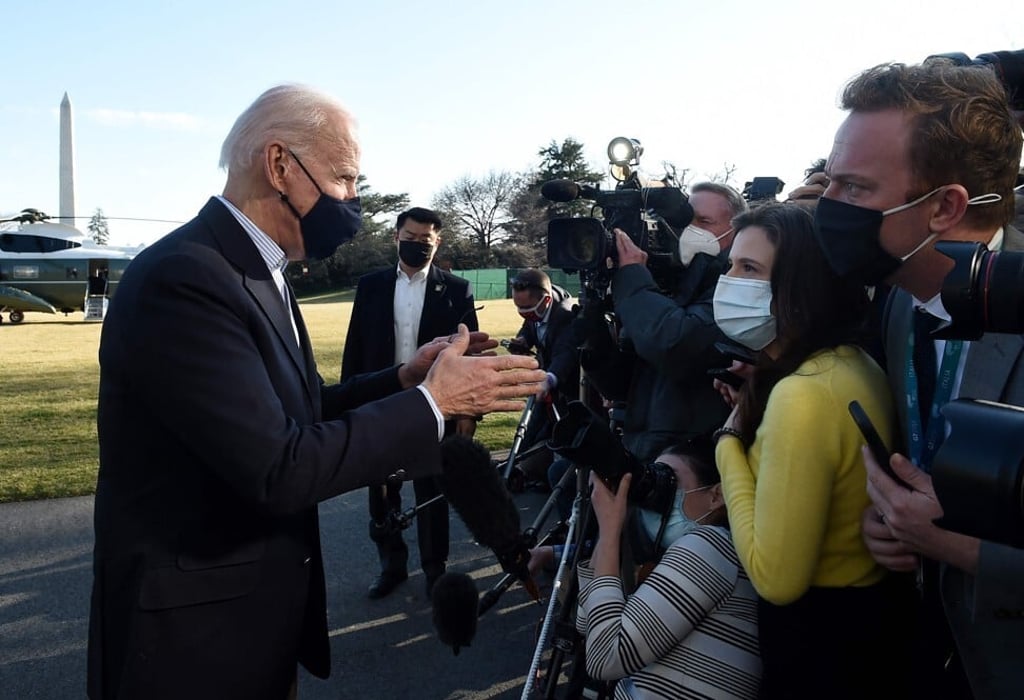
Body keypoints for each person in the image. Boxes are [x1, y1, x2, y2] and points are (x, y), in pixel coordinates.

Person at [87, 84, 546, 700]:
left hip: (248, 625)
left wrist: (405, 380)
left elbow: (297, 411)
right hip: (190, 643)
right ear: (279, 165)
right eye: (346, 178)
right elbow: (279, 466)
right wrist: (435, 403)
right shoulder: (187, 278)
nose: (355, 200)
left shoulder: (257, 267)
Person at [814, 60, 1024, 700]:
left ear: (944, 207)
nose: (827, 207)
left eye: (853, 188)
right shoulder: (900, 302)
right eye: (829, 181)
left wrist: (961, 547)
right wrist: (899, 526)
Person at [713, 202, 913, 699]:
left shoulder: (802, 395)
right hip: (868, 630)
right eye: (731, 266)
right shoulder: (854, 362)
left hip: (816, 649)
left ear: (800, 286)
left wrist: (727, 446)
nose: (729, 282)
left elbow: (777, 579)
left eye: (750, 269)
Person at [342, 206, 477, 600]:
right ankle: (392, 565)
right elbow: (356, 347)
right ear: (396, 236)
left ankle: (435, 571)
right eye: (410, 237)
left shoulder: (456, 289)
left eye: (426, 240)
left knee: (431, 490)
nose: (417, 245)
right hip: (380, 401)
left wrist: (468, 411)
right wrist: (350, 397)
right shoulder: (371, 286)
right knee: (381, 492)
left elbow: (469, 355)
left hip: (435, 405)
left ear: (438, 242)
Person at [574, 440, 761, 699]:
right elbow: (588, 624)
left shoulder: (709, 547)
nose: (658, 498)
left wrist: (609, 533)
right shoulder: (712, 553)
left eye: (669, 482)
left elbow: (604, 656)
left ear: (716, 495)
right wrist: (609, 532)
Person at [583, 181, 748, 465]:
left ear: (737, 232)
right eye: (683, 220)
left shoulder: (740, 285)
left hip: (697, 461)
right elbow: (620, 387)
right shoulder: (667, 282)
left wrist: (634, 278)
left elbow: (675, 344)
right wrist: (593, 320)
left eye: (704, 222)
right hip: (644, 452)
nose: (689, 230)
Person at [506, 267, 579, 482]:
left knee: (562, 433)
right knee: (530, 429)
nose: (523, 312)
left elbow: (566, 353)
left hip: (568, 389)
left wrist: (549, 378)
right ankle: (515, 467)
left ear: (546, 301)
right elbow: (530, 326)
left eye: (527, 308)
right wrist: (522, 341)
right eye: (518, 307)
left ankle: (561, 476)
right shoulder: (537, 309)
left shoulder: (566, 316)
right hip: (545, 382)